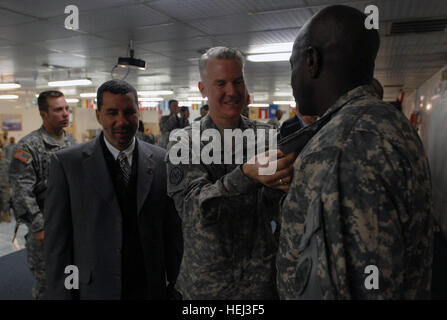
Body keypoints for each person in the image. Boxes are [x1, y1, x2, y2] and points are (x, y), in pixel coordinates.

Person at [277, 5, 433, 299]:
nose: (291, 79)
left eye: (292, 65)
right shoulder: (387, 122)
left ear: (312, 60)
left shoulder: (342, 146)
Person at [166, 46, 295, 299]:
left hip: (260, 283)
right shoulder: (184, 141)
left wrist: (283, 186)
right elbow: (193, 211)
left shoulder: (266, 136)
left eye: (238, 82)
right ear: (203, 89)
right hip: (208, 286)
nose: (232, 92)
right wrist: (245, 175)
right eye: (221, 84)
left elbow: (282, 207)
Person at [44, 79, 183, 300]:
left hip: (149, 288)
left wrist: (176, 286)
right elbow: (58, 245)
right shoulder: (68, 165)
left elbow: (173, 234)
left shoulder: (162, 161)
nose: (122, 121)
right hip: (94, 289)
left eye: (129, 112)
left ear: (139, 113)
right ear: (99, 116)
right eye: (112, 113)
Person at [9, 90, 77, 299]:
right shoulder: (29, 147)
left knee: (72, 282)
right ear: (43, 114)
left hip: (72, 229)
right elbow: (21, 191)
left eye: (66, 109)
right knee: (48, 286)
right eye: (58, 110)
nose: (65, 114)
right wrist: (38, 228)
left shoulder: (72, 143)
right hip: (46, 231)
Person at [0, 149, 11, 223]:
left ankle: (6, 215)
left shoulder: (7, 162)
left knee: (6, 201)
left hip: (5, 185)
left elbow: (12, 172)